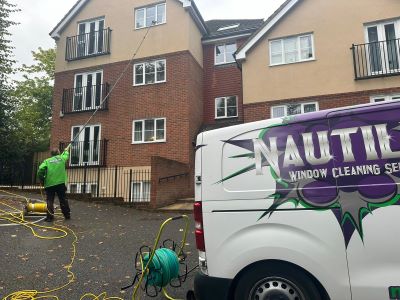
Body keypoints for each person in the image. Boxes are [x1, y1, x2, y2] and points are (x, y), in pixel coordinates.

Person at [37, 144, 71, 222]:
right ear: (58, 153)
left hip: (49, 183)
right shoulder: (62, 158)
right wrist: (66, 150)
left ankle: (49, 217)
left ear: (51, 154)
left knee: (50, 200)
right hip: (60, 183)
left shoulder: (47, 161)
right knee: (63, 199)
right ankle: (67, 215)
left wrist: (42, 179)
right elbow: (66, 155)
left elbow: (40, 170)